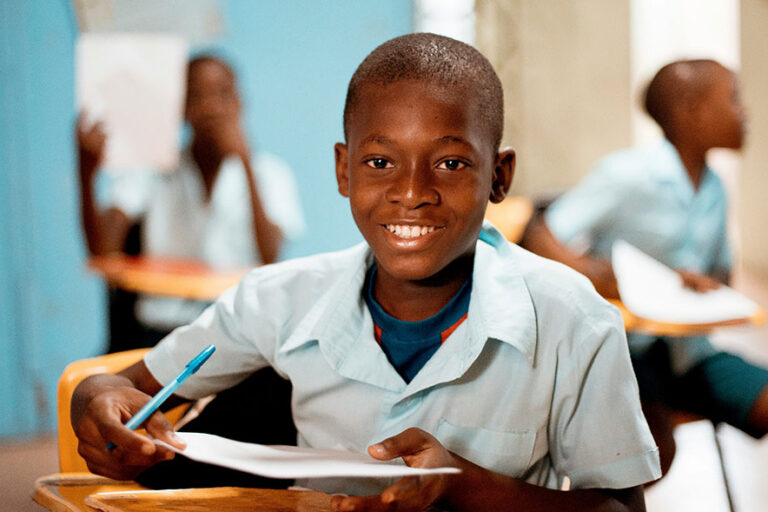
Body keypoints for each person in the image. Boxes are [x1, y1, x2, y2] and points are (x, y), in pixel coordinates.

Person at [71, 33, 660, 511]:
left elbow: (619, 506)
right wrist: (100, 411)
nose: (411, 192)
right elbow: (117, 386)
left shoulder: (572, 318)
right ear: (344, 171)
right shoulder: (279, 298)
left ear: (499, 177)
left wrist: (465, 487)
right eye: (380, 162)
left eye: (451, 162)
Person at [522, 59, 768, 476]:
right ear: (690, 109)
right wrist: (610, 279)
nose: (744, 112)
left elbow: (721, 273)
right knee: (652, 450)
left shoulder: (714, 189)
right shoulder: (628, 175)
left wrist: (706, 285)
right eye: (732, 99)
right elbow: (541, 237)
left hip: (690, 355)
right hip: (626, 354)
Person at [77, 54, 305, 346]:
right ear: (181, 109)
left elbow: (270, 254)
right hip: (159, 331)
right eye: (197, 95)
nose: (211, 106)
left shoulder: (270, 173)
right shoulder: (152, 170)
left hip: (237, 333)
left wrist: (245, 163)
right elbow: (103, 251)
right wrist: (86, 174)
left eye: (223, 94)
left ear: (240, 103)